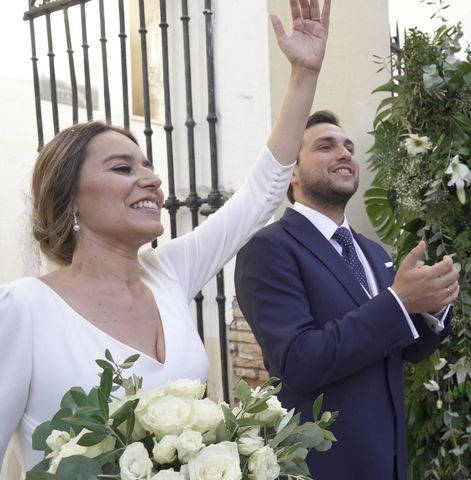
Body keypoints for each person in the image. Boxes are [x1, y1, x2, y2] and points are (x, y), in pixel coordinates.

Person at [0, 0, 331, 472]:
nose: (151, 180)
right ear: (70, 199)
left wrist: (303, 73)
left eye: (149, 167)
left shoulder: (168, 274)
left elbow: (259, 196)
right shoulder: (22, 310)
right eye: (122, 168)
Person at [234, 110, 459, 480]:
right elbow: (297, 362)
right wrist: (399, 303)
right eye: (326, 146)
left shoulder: (373, 252)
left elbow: (405, 350)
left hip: (388, 460)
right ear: (291, 172)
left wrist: (432, 306)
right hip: (324, 464)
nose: (344, 154)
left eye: (348, 147)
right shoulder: (269, 249)